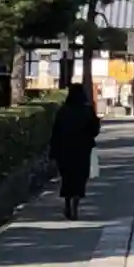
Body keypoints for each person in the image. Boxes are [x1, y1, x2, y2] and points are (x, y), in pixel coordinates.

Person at [49, 83, 101, 220]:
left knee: (67, 178)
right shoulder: (87, 111)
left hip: (64, 149)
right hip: (82, 149)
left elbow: (56, 132)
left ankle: (67, 203)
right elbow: (94, 131)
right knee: (80, 178)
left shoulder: (63, 111)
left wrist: (53, 151)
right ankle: (75, 205)